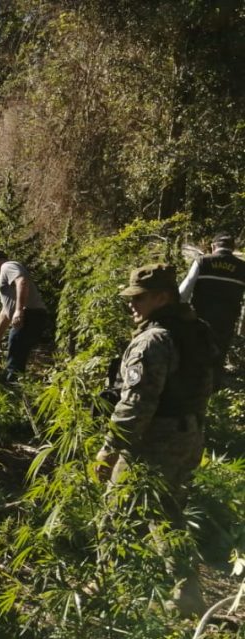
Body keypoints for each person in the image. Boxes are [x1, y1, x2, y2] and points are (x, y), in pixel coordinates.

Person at [95, 263, 217, 615]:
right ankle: (186, 593)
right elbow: (205, 386)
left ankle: (111, 593)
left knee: (114, 515)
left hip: (154, 441)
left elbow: (135, 404)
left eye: (140, 298)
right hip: (188, 434)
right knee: (168, 516)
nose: (132, 304)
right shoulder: (195, 329)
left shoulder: (153, 340)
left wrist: (109, 449)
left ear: (162, 297)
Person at [178, 233, 245, 389]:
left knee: (196, 352)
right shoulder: (242, 267)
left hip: (200, 318)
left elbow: (186, 288)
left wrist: (177, 310)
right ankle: (213, 389)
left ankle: (192, 388)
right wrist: (242, 324)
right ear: (232, 248)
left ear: (213, 246)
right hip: (226, 320)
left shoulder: (203, 261)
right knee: (218, 354)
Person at [0, 248, 49, 381]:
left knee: (15, 349)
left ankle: (13, 388)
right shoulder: (5, 275)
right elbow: (6, 311)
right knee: (17, 351)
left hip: (31, 314)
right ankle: (17, 384)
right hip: (30, 315)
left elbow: (22, 282)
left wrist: (19, 310)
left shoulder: (8, 266)